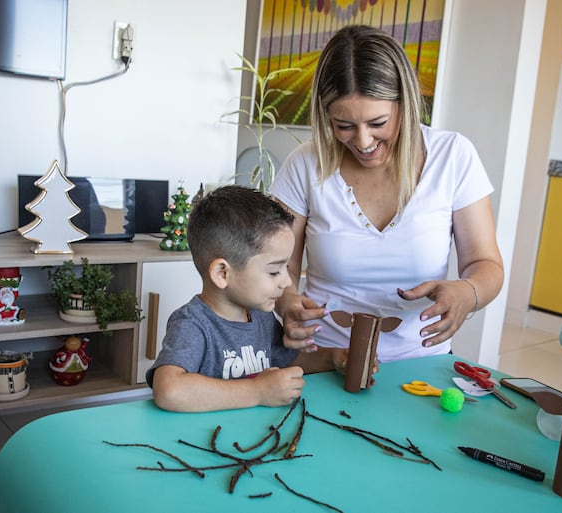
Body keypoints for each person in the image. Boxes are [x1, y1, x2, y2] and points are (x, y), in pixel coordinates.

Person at [270, 25, 504, 362]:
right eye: (344, 126)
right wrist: (286, 300)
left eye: (378, 123)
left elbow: (486, 264)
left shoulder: (453, 156)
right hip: (324, 360)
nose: (363, 142)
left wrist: (468, 291)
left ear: (405, 105)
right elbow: (281, 267)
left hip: (421, 364)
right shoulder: (305, 165)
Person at [146, 185, 356, 413]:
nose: (286, 282)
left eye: (286, 268)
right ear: (222, 274)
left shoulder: (261, 317)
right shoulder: (193, 324)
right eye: (274, 271)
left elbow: (289, 363)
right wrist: (257, 392)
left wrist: (333, 358)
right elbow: (169, 391)